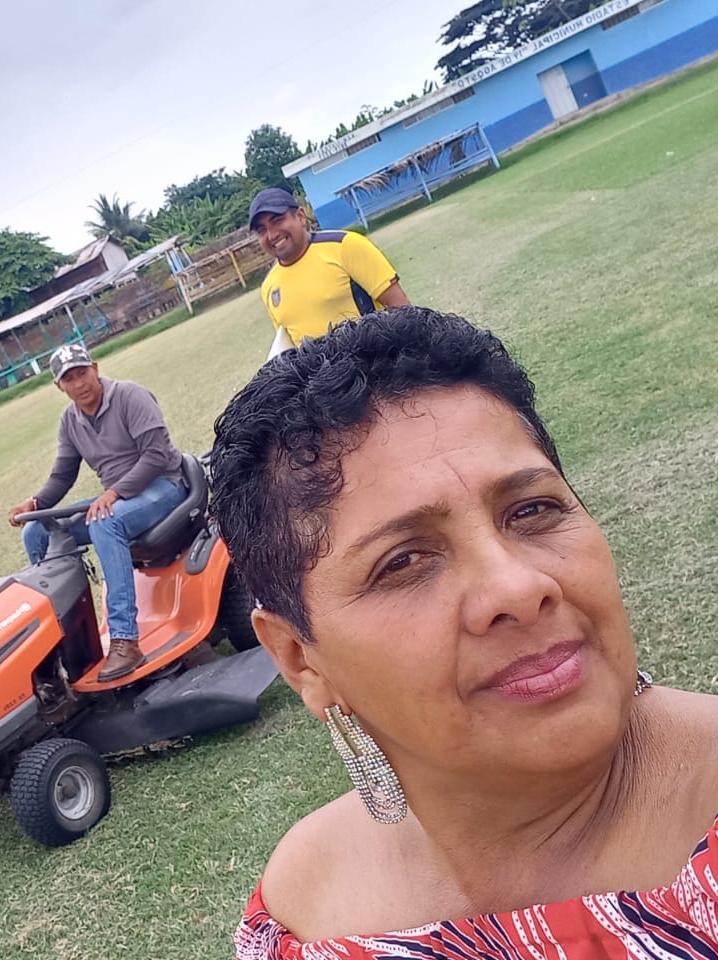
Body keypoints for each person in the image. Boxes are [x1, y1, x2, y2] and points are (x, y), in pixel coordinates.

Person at [208, 306, 718, 960]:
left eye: (532, 509)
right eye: (403, 562)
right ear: (300, 660)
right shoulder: (306, 912)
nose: (518, 588)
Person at [8, 343, 189, 681]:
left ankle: (126, 641)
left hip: (164, 485)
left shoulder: (131, 396)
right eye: (69, 379)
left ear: (95, 368)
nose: (79, 384)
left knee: (103, 522)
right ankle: (68, 645)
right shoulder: (70, 421)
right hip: (119, 498)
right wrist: (35, 503)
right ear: (59, 387)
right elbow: (63, 475)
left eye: (82, 373)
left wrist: (114, 493)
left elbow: (156, 455)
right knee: (37, 531)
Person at [248, 187, 409, 358]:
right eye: (261, 230)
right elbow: (290, 350)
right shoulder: (269, 287)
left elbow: (402, 309)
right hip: (323, 375)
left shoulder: (346, 245)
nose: (271, 235)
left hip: (376, 365)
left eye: (277, 220)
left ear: (300, 217)